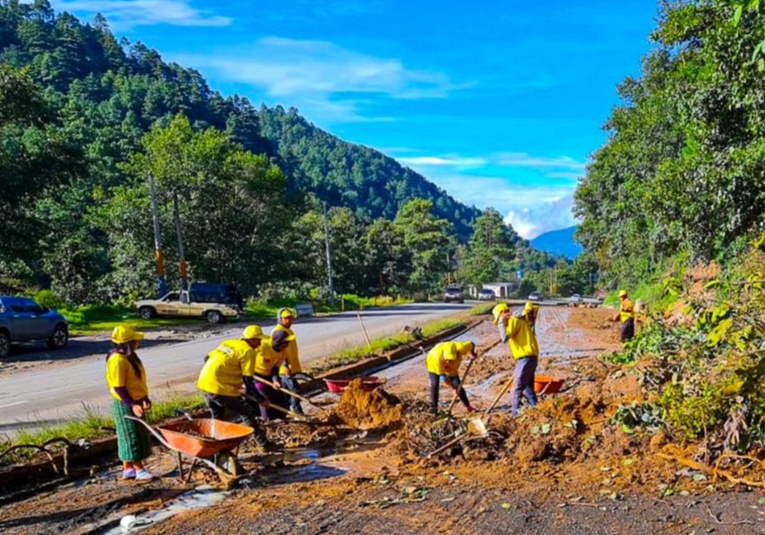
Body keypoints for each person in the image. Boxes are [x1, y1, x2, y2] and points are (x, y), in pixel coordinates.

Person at [197, 325, 271, 449]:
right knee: (246, 412)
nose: (259, 344)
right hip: (219, 388)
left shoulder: (229, 343)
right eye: (258, 340)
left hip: (204, 384)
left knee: (217, 417)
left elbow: (207, 358)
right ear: (251, 339)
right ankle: (263, 443)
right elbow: (248, 380)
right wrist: (261, 399)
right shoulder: (248, 351)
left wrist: (226, 377)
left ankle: (213, 446)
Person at [106, 326, 155, 481]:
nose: (138, 343)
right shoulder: (117, 360)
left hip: (136, 400)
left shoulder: (129, 357)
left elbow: (136, 381)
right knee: (130, 435)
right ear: (128, 343)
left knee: (136, 434)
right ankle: (139, 469)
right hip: (125, 402)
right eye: (136, 341)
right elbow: (118, 387)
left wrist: (144, 398)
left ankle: (128, 469)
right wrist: (133, 404)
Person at [498, 303, 540, 418]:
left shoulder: (514, 321)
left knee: (516, 389)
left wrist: (501, 322)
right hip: (531, 358)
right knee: (528, 388)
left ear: (503, 314)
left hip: (525, 358)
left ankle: (515, 416)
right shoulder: (520, 320)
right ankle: (537, 412)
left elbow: (504, 338)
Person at [426, 340, 477, 415]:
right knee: (435, 384)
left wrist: (472, 353)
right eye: (448, 360)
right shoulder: (436, 359)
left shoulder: (461, 347)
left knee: (458, 385)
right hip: (432, 363)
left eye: (450, 360)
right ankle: (434, 409)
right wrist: (453, 389)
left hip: (452, 367)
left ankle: (468, 406)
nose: (448, 362)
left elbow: (472, 344)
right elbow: (444, 378)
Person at [252, 333, 290, 421]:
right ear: (278, 342)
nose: (287, 345)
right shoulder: (263, 347)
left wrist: (275, 380)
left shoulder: (284, 352)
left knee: (279, 396)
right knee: (264, 398)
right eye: (285, 342)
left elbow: (275, 369)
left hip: (269, 375)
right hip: (256, 376)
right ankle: (267, 421)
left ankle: (282, 418)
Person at [273, 308, 303, 414]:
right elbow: (279, 350)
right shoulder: (279, 332)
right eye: (286, 318)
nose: (289, 320)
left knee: (286, 391)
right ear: (280, 319)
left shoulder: (288, 330)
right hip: (285, 369)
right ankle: (296, 410)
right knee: (295, 390)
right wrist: (285, 366)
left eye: (290, 318)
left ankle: (287, 410)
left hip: (290, 366)